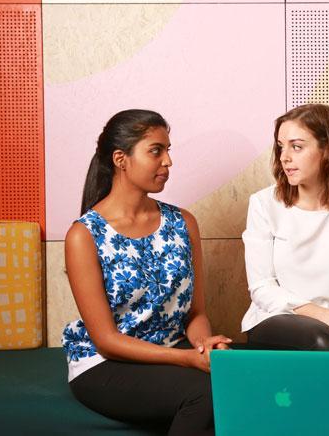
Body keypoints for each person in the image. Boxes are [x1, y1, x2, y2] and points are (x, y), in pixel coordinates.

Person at [61, 109, 230, 436]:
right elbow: (107, 341)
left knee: (246, 379)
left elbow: (195, 313)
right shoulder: (85, 235)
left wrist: (205, 345)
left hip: (173, 347)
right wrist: (187, 360)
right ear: (121, 159)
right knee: (206, 394)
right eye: (156, 150)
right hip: (105, 365)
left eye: (168, 150)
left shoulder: (184, 223)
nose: (168, 161)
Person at [241, 103, 329, 419]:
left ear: (328, 150)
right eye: (281, 147)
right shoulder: (264, 204)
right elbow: (262, 289)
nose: (284, 157)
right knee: (324, 344)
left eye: (297, 146)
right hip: (275, 320)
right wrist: (328, 318)